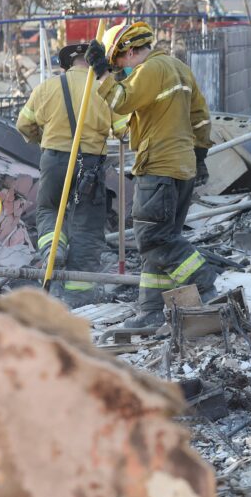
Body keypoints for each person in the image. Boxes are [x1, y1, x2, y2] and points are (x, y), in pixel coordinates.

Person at [84, 21, 216, 328]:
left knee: (153, 239)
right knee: (160, 243)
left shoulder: (151, 70)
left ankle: (203, 282)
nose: (120, 72)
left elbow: (121, 100)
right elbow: (200, 119)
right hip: (182, 168)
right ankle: (151, 311)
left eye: (119, 63)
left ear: (129, 53)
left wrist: (101, 72)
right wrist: (199, 154)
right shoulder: (179, 69)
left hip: (158, 166)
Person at [16, 43, 128, 307]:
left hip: (54, 159)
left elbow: (23, 124)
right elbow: (124, 131)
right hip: (90, 164)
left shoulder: (46, 88)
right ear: (92, 63)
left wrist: (44, 138)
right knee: (86, 224)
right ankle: (78, 294)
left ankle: (52, 251)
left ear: (65, 65)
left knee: (49, 210)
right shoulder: (105, 88)